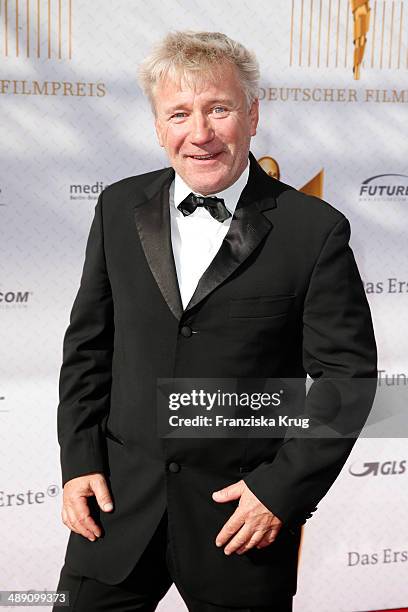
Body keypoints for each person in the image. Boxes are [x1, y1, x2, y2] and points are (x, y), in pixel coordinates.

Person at [55, 31, 377, 611]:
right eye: (178, 113)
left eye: (218, 109)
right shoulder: (116, 208)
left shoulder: (313, 231)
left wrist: (279, 492)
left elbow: (346, 382)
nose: (198, 133)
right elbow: (88, 349)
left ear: (253, 115)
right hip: (116, 512)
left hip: (242, 521)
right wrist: (79, 463)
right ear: (158, 126)